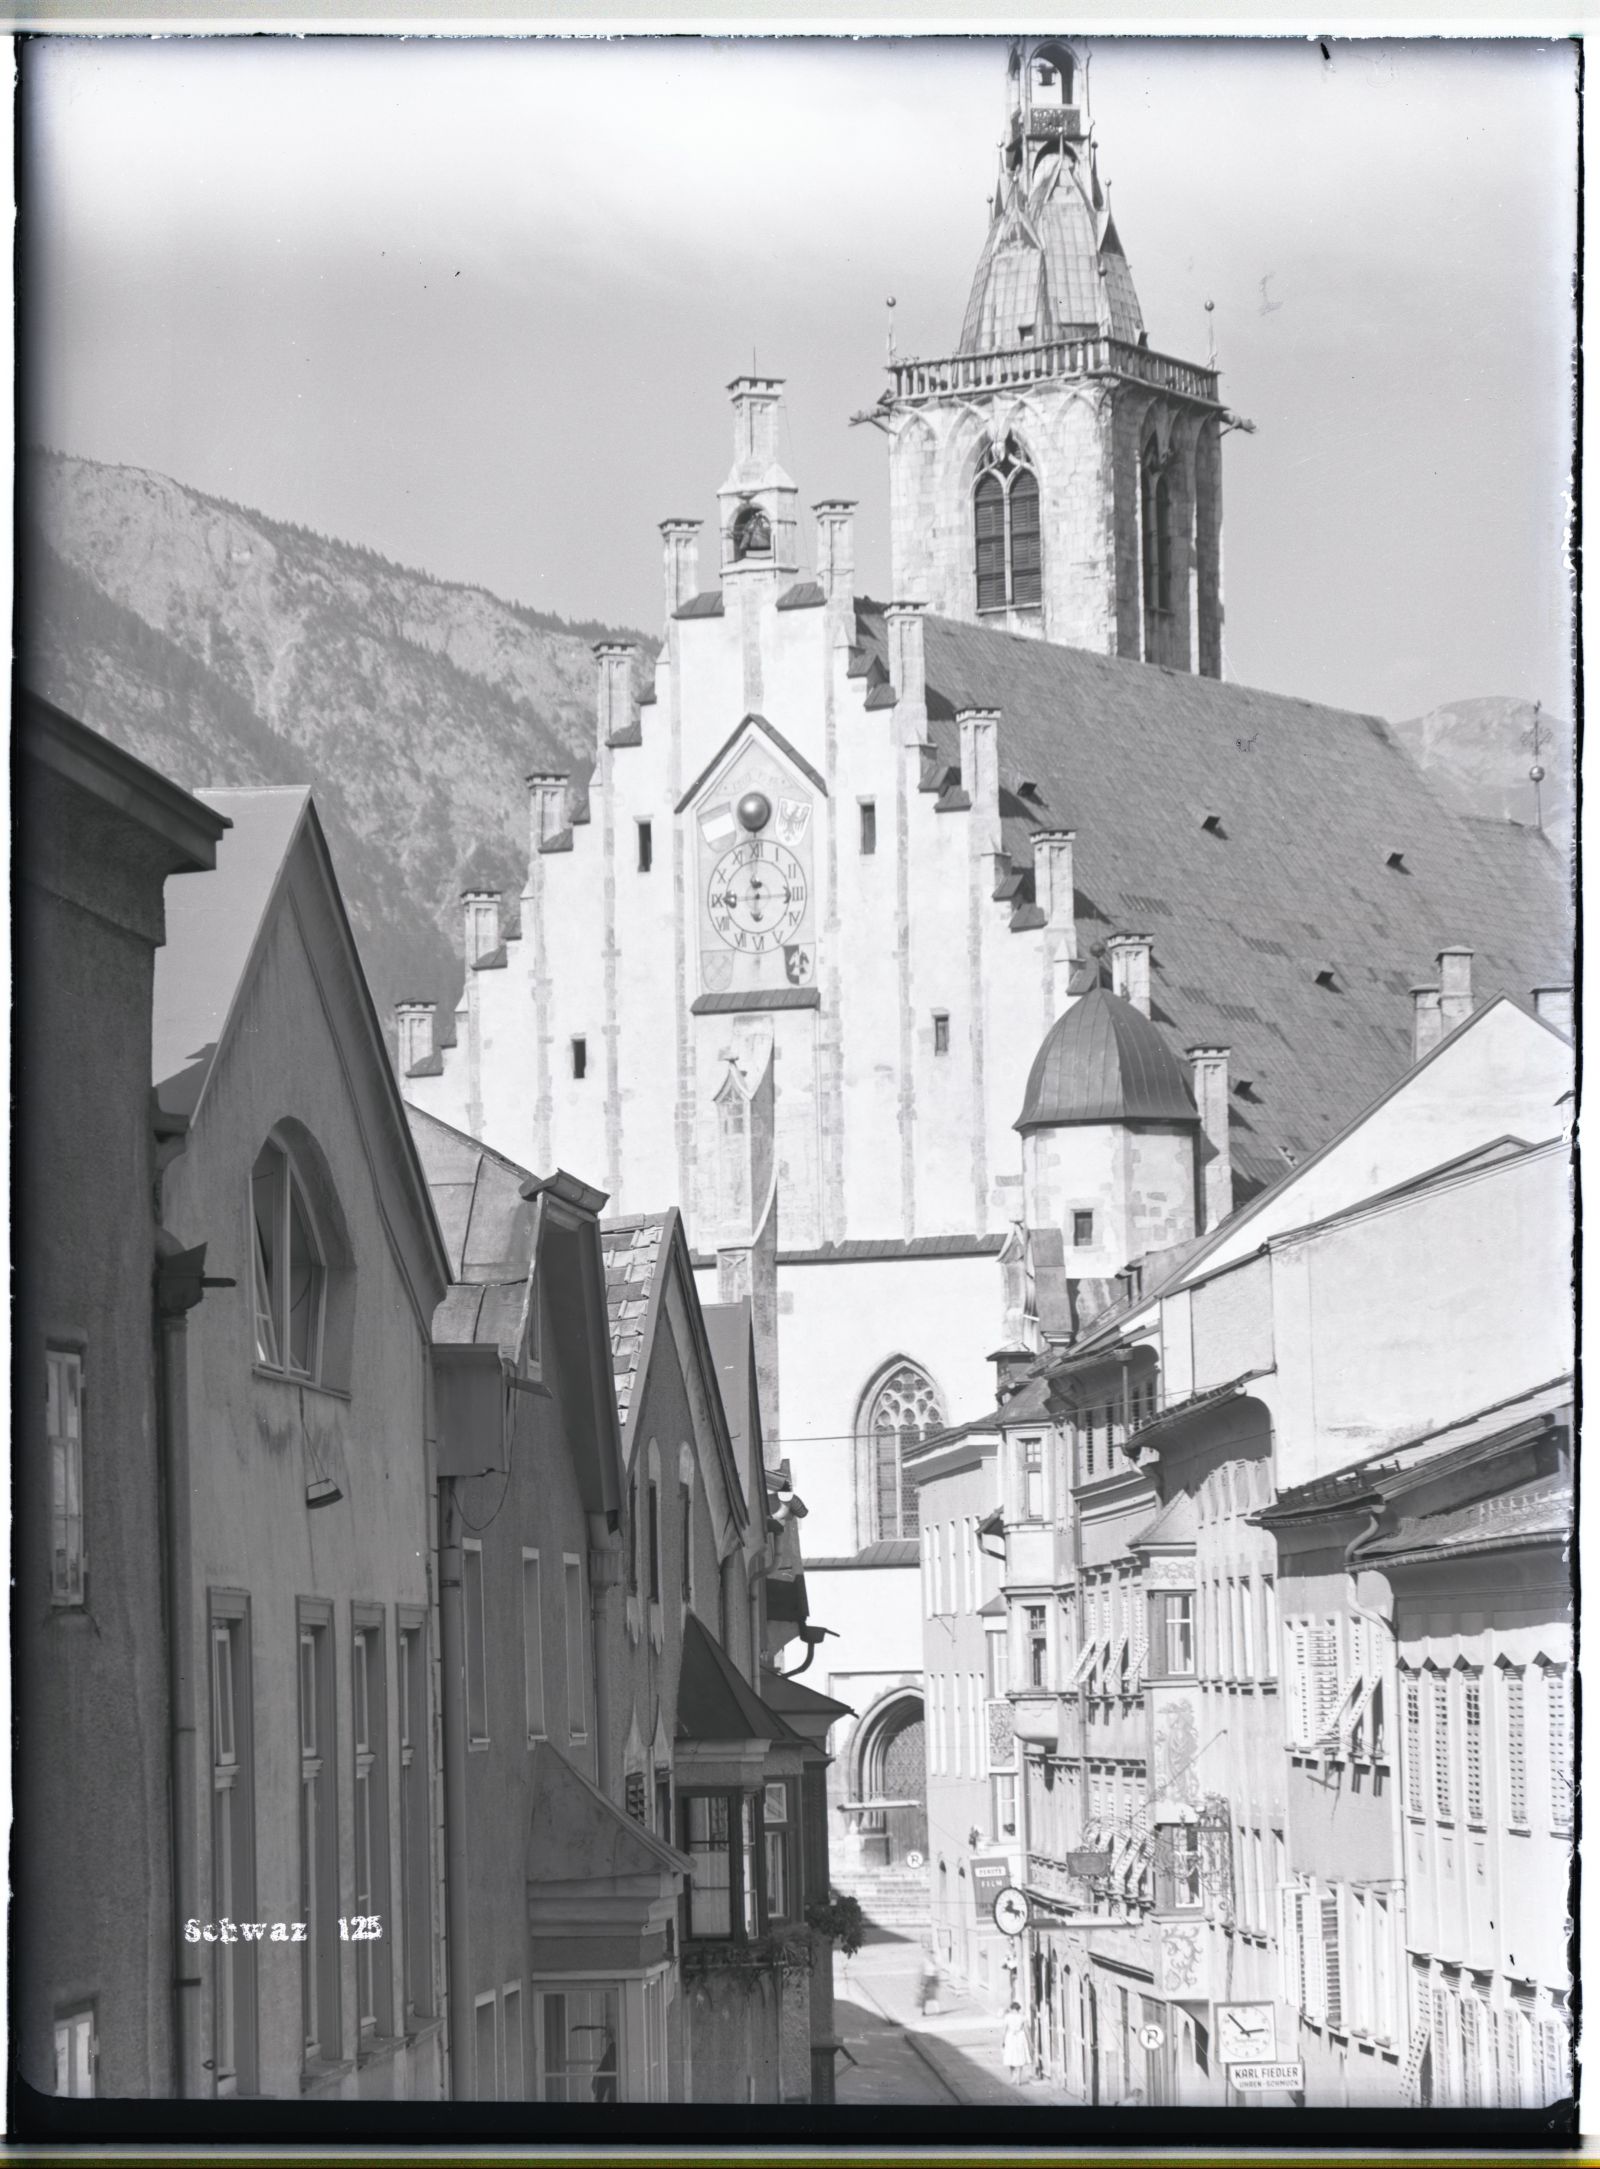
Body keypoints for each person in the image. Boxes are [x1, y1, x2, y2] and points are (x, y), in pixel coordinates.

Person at [1002, 2001, 1031, 2085]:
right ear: (1018, 2009)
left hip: (1010, 2037)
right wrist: (1030, 2041)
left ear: (1011, 2009)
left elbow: (1004, 2030)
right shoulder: (1023, 2017)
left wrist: (1003, 2041)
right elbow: (1026, 2030)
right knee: (1019, 2057)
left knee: (1010, 2056)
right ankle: (1018, 2078)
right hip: (1020, 2037)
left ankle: (1013, 2076)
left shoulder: (1007, 2017)